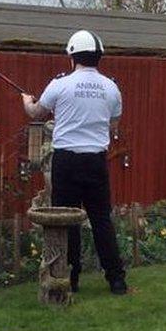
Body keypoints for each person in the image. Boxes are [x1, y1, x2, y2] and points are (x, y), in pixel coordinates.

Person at [21, 30, 128, 295]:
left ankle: (72, 280)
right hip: (96, 161)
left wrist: (26, 101)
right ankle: (116, 280)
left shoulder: (59, 85)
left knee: (67, 221)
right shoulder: (112, 88)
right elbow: (114, 124)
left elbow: (36, 112)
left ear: (71, 56)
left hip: (66, 162)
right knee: (102, 219)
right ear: (98, 57)